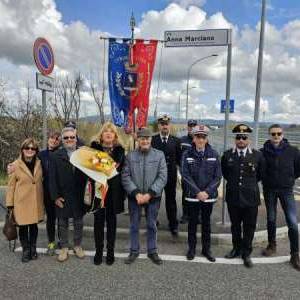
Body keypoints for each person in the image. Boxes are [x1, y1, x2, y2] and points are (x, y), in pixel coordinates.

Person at [221, 124, 265, 268]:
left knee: (249, 226)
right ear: (235, 139)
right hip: (233, 197)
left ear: (248, 140)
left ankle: (246, 252)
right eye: (238, 137)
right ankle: (236, 248)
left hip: (251, 198)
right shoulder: (227, 155)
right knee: (235, 226)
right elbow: (226, 174)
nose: (241, 140)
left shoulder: (257, 155)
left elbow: (260, 175)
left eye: (244, 137)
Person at [122, 127, 167, 265]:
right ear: (138, 140)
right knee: (134, 225)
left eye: (147, 138)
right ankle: (134, 250)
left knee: (151, 224)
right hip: (134, 197)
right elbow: (125, 176)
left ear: (151, 139)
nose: (145, 140)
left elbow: (163, 176)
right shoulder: (130, 156)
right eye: (142, 138)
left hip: (153, 197)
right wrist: (135, 193)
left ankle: (152, 251)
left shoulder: (159, 155)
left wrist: (149, 194)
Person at [261, 124, 300, 270]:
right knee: (271, 218)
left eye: (279, 133)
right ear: (269, 135)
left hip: (286, 190)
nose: (276, 136)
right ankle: (272, 245)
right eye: (273, 134)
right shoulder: (263, 151)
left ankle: (295, 254)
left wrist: (289, 178)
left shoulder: (293, 151)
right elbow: (261, 169)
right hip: (269, 189)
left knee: (292, 221)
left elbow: (298, 169)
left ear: (283, 134)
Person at [181, 125, 222, 262]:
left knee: (206, 223)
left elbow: (217, 177)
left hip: (208, 197)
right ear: (194, 138)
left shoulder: (214, 154)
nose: (200, 139)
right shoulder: (187, 154)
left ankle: (206, 249)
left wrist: (206, 192)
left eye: (203, 137)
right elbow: (185, 175)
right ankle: (191, 249)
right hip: (193, 196)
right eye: (198, 137)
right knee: (192, 223)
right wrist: (198, 192)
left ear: (206, 139)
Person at [90, 122, 126, 266]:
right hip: (98, 191)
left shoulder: (120, 151)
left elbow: (120, 172)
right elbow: (94, 167)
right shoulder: (93, 149)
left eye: (111, 131)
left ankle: (110, 252)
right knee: (98, 222)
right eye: (106, 131)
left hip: (114, 192)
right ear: (101, 135)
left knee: (112, 223)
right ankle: (99, 251)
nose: (109, 133)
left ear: (115, 135)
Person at [49, 127, 87, 262]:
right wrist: (55, 197)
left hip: (79, 194)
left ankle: (77, 245)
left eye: (72, 137)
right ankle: (64, 247)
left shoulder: (83, 154)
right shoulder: (55, 156)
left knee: (79, 222)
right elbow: (51, 178)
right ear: (62, 141)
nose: (69, 139)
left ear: (76, 139)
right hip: (62, 195)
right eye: (66, 138)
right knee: (62, 222)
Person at [5, 138, 44, 263]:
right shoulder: (15, 165)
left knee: (34, 227)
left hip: (35, 201)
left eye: (33, 148)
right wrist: (10, 204)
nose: (30, 150)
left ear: (36, 151)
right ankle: (26, 250)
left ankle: (33, 248)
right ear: (22, 150)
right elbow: (11, 186)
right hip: (21, 202)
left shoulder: (39, 162)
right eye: (27, 148)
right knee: (23, 227)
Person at [151, 115, 181, 237]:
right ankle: (152, 222)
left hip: (170, 176)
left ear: (170, 125)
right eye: (162, 124)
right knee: (154, 200)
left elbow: (179, 159)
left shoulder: (176, 141)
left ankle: (173, 224)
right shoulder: (153, 140)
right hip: (156, 176)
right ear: (159, 126)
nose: (164, 126)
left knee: (171, 201)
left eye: (166, 124)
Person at [38, 131, 61, 255]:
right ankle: (51, 242)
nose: (54, 140)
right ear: (48, 139)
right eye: (52, 138)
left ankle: (62, 241)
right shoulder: (41, 154)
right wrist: (12, 165)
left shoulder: (62, 154)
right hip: (47, 192)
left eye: (57, 139)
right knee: (51, 219)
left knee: (62, 219)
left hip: (60, 193)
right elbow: (27, 162)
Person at [179, 119, 197, 224]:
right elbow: (178, 156)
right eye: (190, 126)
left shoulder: (200, 139)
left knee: (196, 194)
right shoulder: (182, 140)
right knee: (186, 194)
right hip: (186, 174)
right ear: (188, 127)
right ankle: (185, 215)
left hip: (198, 174)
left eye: (194, 126)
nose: (192, 128)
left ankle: (197, 215)